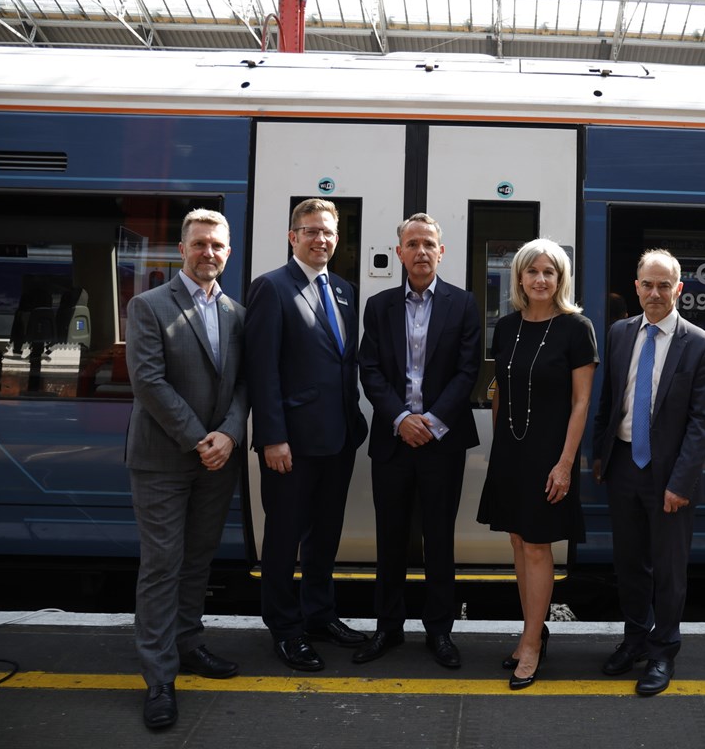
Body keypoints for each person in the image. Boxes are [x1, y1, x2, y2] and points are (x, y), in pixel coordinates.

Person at [124, 209, 247, 729]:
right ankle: (159, 678)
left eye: (217, 246)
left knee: (198, 561)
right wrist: (202, 439)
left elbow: (245, 384)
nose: (209, 253)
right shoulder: (148, 306)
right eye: (199, 244)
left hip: (217, 459)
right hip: (163, 459)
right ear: (181, 249)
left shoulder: (237, 313)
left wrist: (230, 434)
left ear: (228, 252)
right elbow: (148, 382)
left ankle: (189, 643)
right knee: (162, 566)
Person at [592, 248, 705, 697]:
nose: (654, 293)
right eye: (647, 284)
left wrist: (680, 483)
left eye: (664, 285)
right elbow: (609, 402)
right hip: (624, 464)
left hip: (669, 477)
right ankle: (634, 640)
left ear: (679, 289)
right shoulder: (618, 333)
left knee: (668, 570)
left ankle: (663, 651)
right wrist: (599, 456)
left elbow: (702, 423)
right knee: (629, 564)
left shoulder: (704, 346)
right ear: (636, 286)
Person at [245, 198, 369, 672]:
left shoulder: (342, 290)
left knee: (324, 537)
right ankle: (285, 628)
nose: (321, 239)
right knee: (283, 538)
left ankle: (319, 615)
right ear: (292, 236)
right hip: (290, 446)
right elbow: (263, 370)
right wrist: (272, 437)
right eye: (311, 231)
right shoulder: (271, 288)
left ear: (337, 240)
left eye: (329, 233)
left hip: (337, 440)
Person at [356, 212, 480, 668]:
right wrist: (400, 418)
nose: (421, 251)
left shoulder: (463, 304)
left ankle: (439, 632)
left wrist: (428, 421)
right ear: (400, 252)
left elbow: (468, 371)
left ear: (441, 251)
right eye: (413, 243)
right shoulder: (379, 305)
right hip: (393, 441)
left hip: (441, 442)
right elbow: (369, 368)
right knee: (389, 539)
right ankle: (387, 628)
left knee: (438, 539)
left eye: (429, 243)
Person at [477, 238, 598, 690]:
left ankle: (531, 644)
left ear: (560, 278)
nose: (541, 279)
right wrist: (497, 449)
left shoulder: (576, 328)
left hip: (550, 454)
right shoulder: (505, 327)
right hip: (511, 451)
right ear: (520, 279)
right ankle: (533, 630)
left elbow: (581, 403)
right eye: (533, 271)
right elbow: (499, 390)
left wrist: (565, 464)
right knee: (516, 539)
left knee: (536, 546)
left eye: (549, 271)